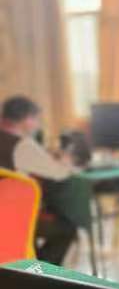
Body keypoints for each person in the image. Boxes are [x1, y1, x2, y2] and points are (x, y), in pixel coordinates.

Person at [0, 95, 77, 264]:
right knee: (66, 229)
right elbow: (60, 173)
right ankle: (40, 273)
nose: (37, 124)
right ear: (27, 120)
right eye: (36, 119)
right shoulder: (22, 145)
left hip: (4, 216)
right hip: (16, 217)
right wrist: (67, 161)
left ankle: (28, 265)